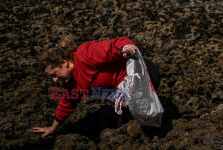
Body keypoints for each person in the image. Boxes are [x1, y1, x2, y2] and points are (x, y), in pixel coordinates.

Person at [33, 36, 162, 138]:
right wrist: (52, 128)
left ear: (63, 63)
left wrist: (126, 48)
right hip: (122, 89)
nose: (54, 80)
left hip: (145, 74)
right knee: (114, 107)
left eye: (54, 74)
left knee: (145, 116)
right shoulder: (70, 83)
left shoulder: (86, 54)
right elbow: (67, 104)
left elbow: (115, 45)